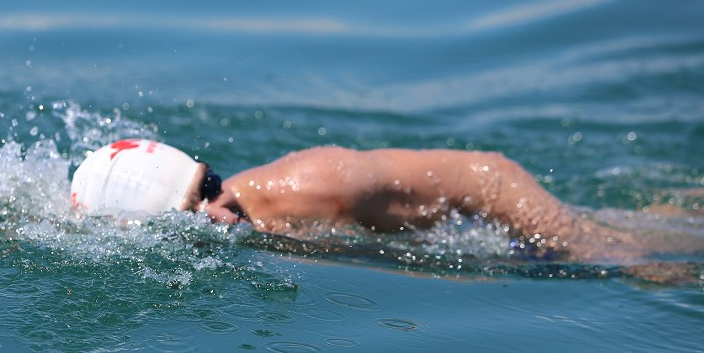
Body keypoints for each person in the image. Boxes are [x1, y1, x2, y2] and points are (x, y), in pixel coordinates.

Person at [70, 138, 635, 263]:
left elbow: (487, 176)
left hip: (493, 237)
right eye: (191, 215)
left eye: (211, 187)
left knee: (668, 249)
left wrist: (571, 243)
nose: (219, 211)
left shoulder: (317, 183)